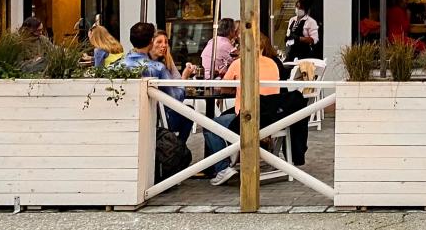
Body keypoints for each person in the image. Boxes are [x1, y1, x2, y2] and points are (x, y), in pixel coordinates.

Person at [206, 33, 303, 185]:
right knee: (224, 118)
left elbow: (222, 87)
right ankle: (228, 160)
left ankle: (222, 168)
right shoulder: (273, 64)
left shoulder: (240, 63)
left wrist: (235, 86)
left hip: (247, 117)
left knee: (210, 126)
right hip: (272, 117)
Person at [123, 23, 193, 135]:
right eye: (158, 42)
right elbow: (174, 98)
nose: (164, 45)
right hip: (153, 121)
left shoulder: (116, 66)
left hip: (125, 119)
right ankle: (175, 150)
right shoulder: (157, 68)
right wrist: (182, 84)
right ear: (151, 42)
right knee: (189, 112)